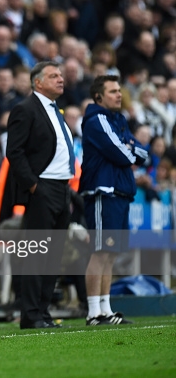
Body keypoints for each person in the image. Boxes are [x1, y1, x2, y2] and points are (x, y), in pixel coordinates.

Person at [6, 61, 75, 329]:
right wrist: (34, 186)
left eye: (61, 75)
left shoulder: (55, 110)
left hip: (62, 188)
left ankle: (43, 313)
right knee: (37, 253)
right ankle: (31, 314)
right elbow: (15, 152)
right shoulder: (25, 109)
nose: (61, 79)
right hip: (43, 188)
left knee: (54, 255)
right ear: (38, 82)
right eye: (54, 76)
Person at [79, 75, 147, 326]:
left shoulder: (119, 120)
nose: (119, 95)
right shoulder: (96, 119)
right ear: (99, 97)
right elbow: (121, 152)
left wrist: (129, 147)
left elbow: (143, 153)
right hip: (102, 191)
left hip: (119, 192)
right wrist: (128, 147)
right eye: (112, 91)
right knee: (99, 251)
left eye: (119, 90)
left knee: (110, 254)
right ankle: (93, 312)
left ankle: (106, 309)